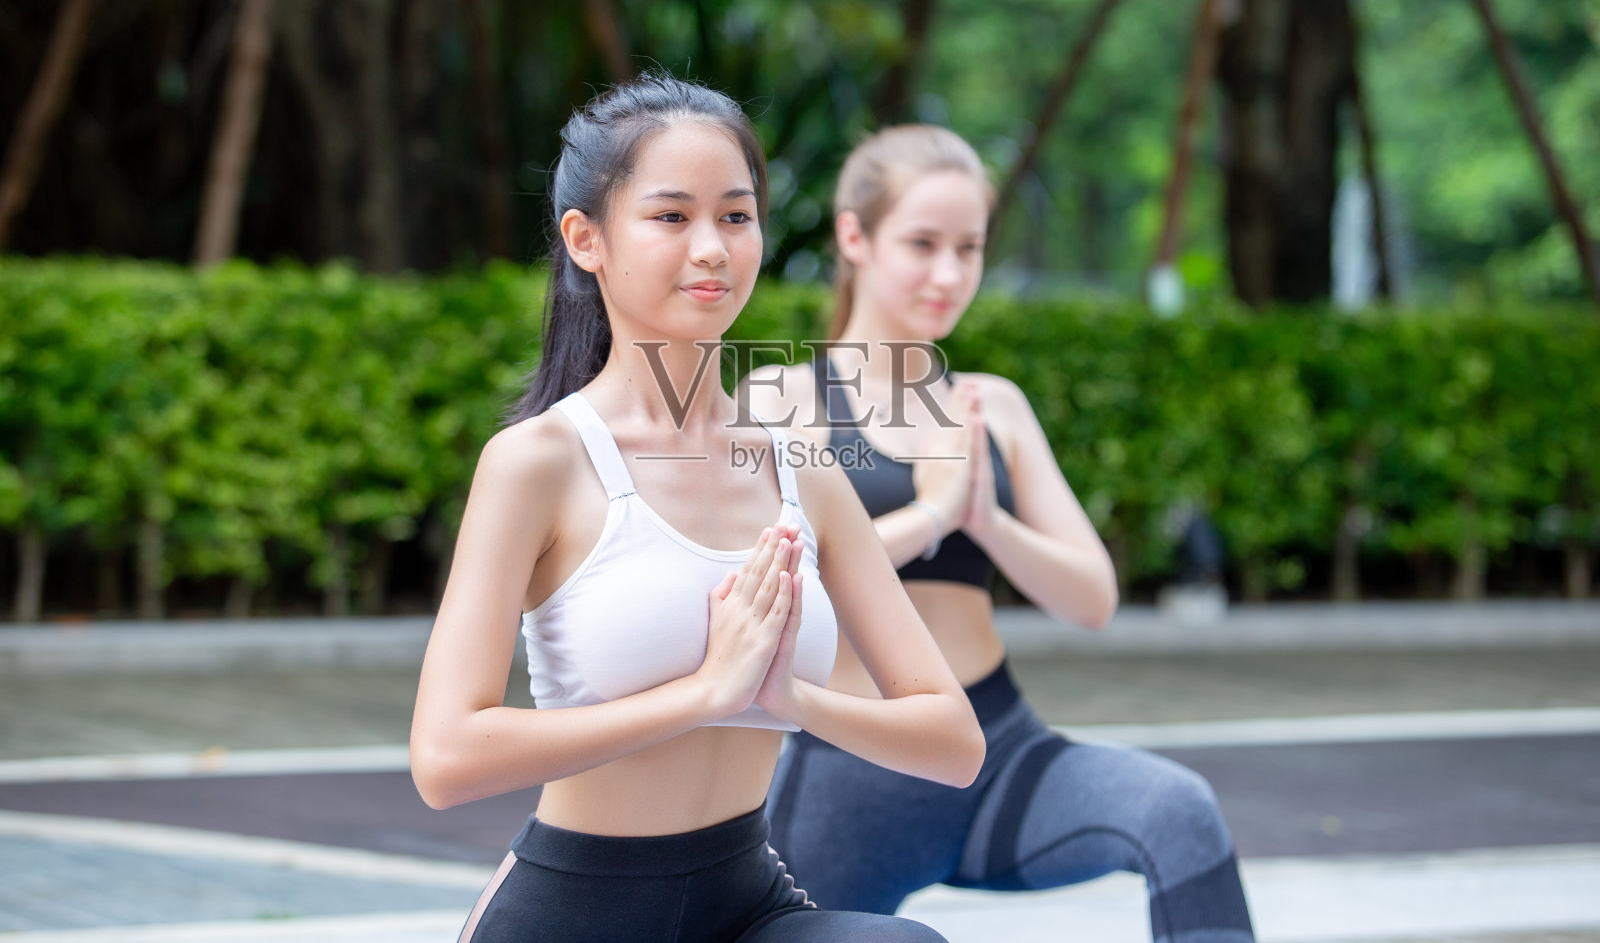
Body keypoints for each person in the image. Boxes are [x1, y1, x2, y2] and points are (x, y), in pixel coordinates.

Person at [410, 79, 982, 943]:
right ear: (586, 239)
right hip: (576, 912)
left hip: (746, 902)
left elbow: (952, 739)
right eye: (672, 217)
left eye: (737, 216)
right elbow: (446, 758)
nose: (712, 248)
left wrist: (785, 693)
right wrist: (704, 691)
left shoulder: (802, 468)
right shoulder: (540, 463)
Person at [744, 125, 1256, 943]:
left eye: (970, 248)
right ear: (854, 236)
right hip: (852, 771)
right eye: (923, 243)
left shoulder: (994, 404)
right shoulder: (780, 398)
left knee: (1180, 811)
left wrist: (987, 520)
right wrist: (934, 515)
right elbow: (778, 577)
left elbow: (1092, 599)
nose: (950, 273)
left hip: (999, 753)